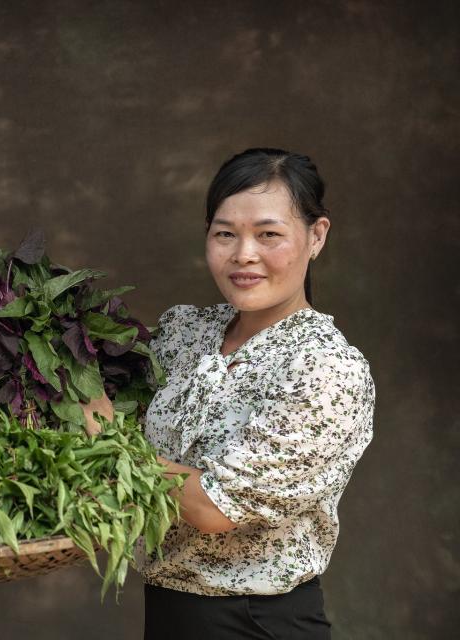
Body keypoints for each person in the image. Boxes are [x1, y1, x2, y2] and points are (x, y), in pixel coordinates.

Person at [116, 148, 374, 638]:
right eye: (225, 234)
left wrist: (102, 436)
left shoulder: (324, 369)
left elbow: (213, 507)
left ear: (316, 236)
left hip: (255, 621)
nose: (243, 255)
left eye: (269, 234)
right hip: (168, 611)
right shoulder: (184, 334)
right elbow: (90, 395)